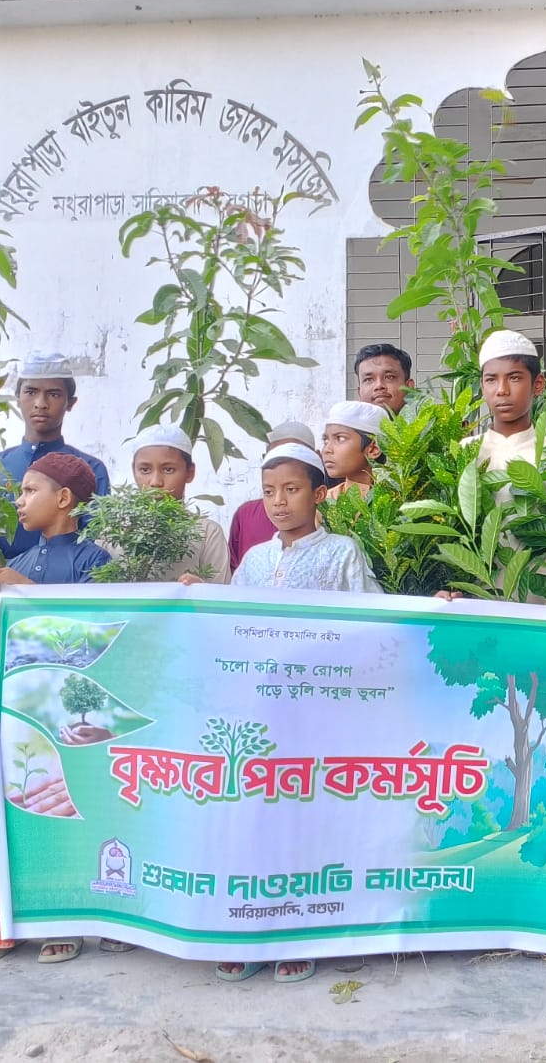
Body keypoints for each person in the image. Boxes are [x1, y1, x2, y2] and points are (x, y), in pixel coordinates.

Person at [221, 442, 381, 982]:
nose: (279, 502)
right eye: (268, 492)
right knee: (254, 822)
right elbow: (231, 630)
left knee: (307, 821)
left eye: (291, 490)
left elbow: (368, 624)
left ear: (319, 494)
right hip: (258, 718)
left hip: (316, 717)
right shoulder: (254, 560)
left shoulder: (342, 552)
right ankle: (246, 929)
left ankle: (301, 932)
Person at [0, 452, 113, 964]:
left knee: (59, 804)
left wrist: (19, 590)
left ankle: (63, 921)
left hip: (64, 712)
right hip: (6, 709)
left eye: (28, 491)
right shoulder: (15, 566)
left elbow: (91, 632)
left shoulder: (96, 563)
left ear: (64, 499)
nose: (18, 502)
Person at [474, 329, 546, 605]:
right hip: (476, 601)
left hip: (541, 603)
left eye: (514, 378)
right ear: (482, 386)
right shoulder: (465, 452)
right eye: (491, 380)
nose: (502, 390)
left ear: (538, 385)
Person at [0, 351, 110, 557]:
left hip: (65, 585)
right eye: (31, 392)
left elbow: (94, 539)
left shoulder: (90, 469)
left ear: (70, 403)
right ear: (17, 399)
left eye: (54, 394)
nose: (41, 403)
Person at [125, 423, 230, 583]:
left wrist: (201, 589)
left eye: (168, 470)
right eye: (145, 470)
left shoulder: (207, 533)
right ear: (134, 471)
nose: (155, 482)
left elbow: (220, 602)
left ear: (190, 472)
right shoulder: (112, 533)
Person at [227, 421, 315, 572]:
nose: (279, 501)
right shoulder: (246, 515)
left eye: (292, 489)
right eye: (277, 456)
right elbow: (235, 582)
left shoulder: (332, 516)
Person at [320, 400, 391, 501]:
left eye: (340, 438)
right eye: (326, 440)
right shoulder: (325, 505)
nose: (326, 450)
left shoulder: (401, 499)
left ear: (374, 449)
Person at [354, 343, 419, 417]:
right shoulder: (345, 427)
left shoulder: (430, 425)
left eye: (389, 377)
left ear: (409, 387)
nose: (379, 385)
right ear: (360, 392)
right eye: (368, 379)